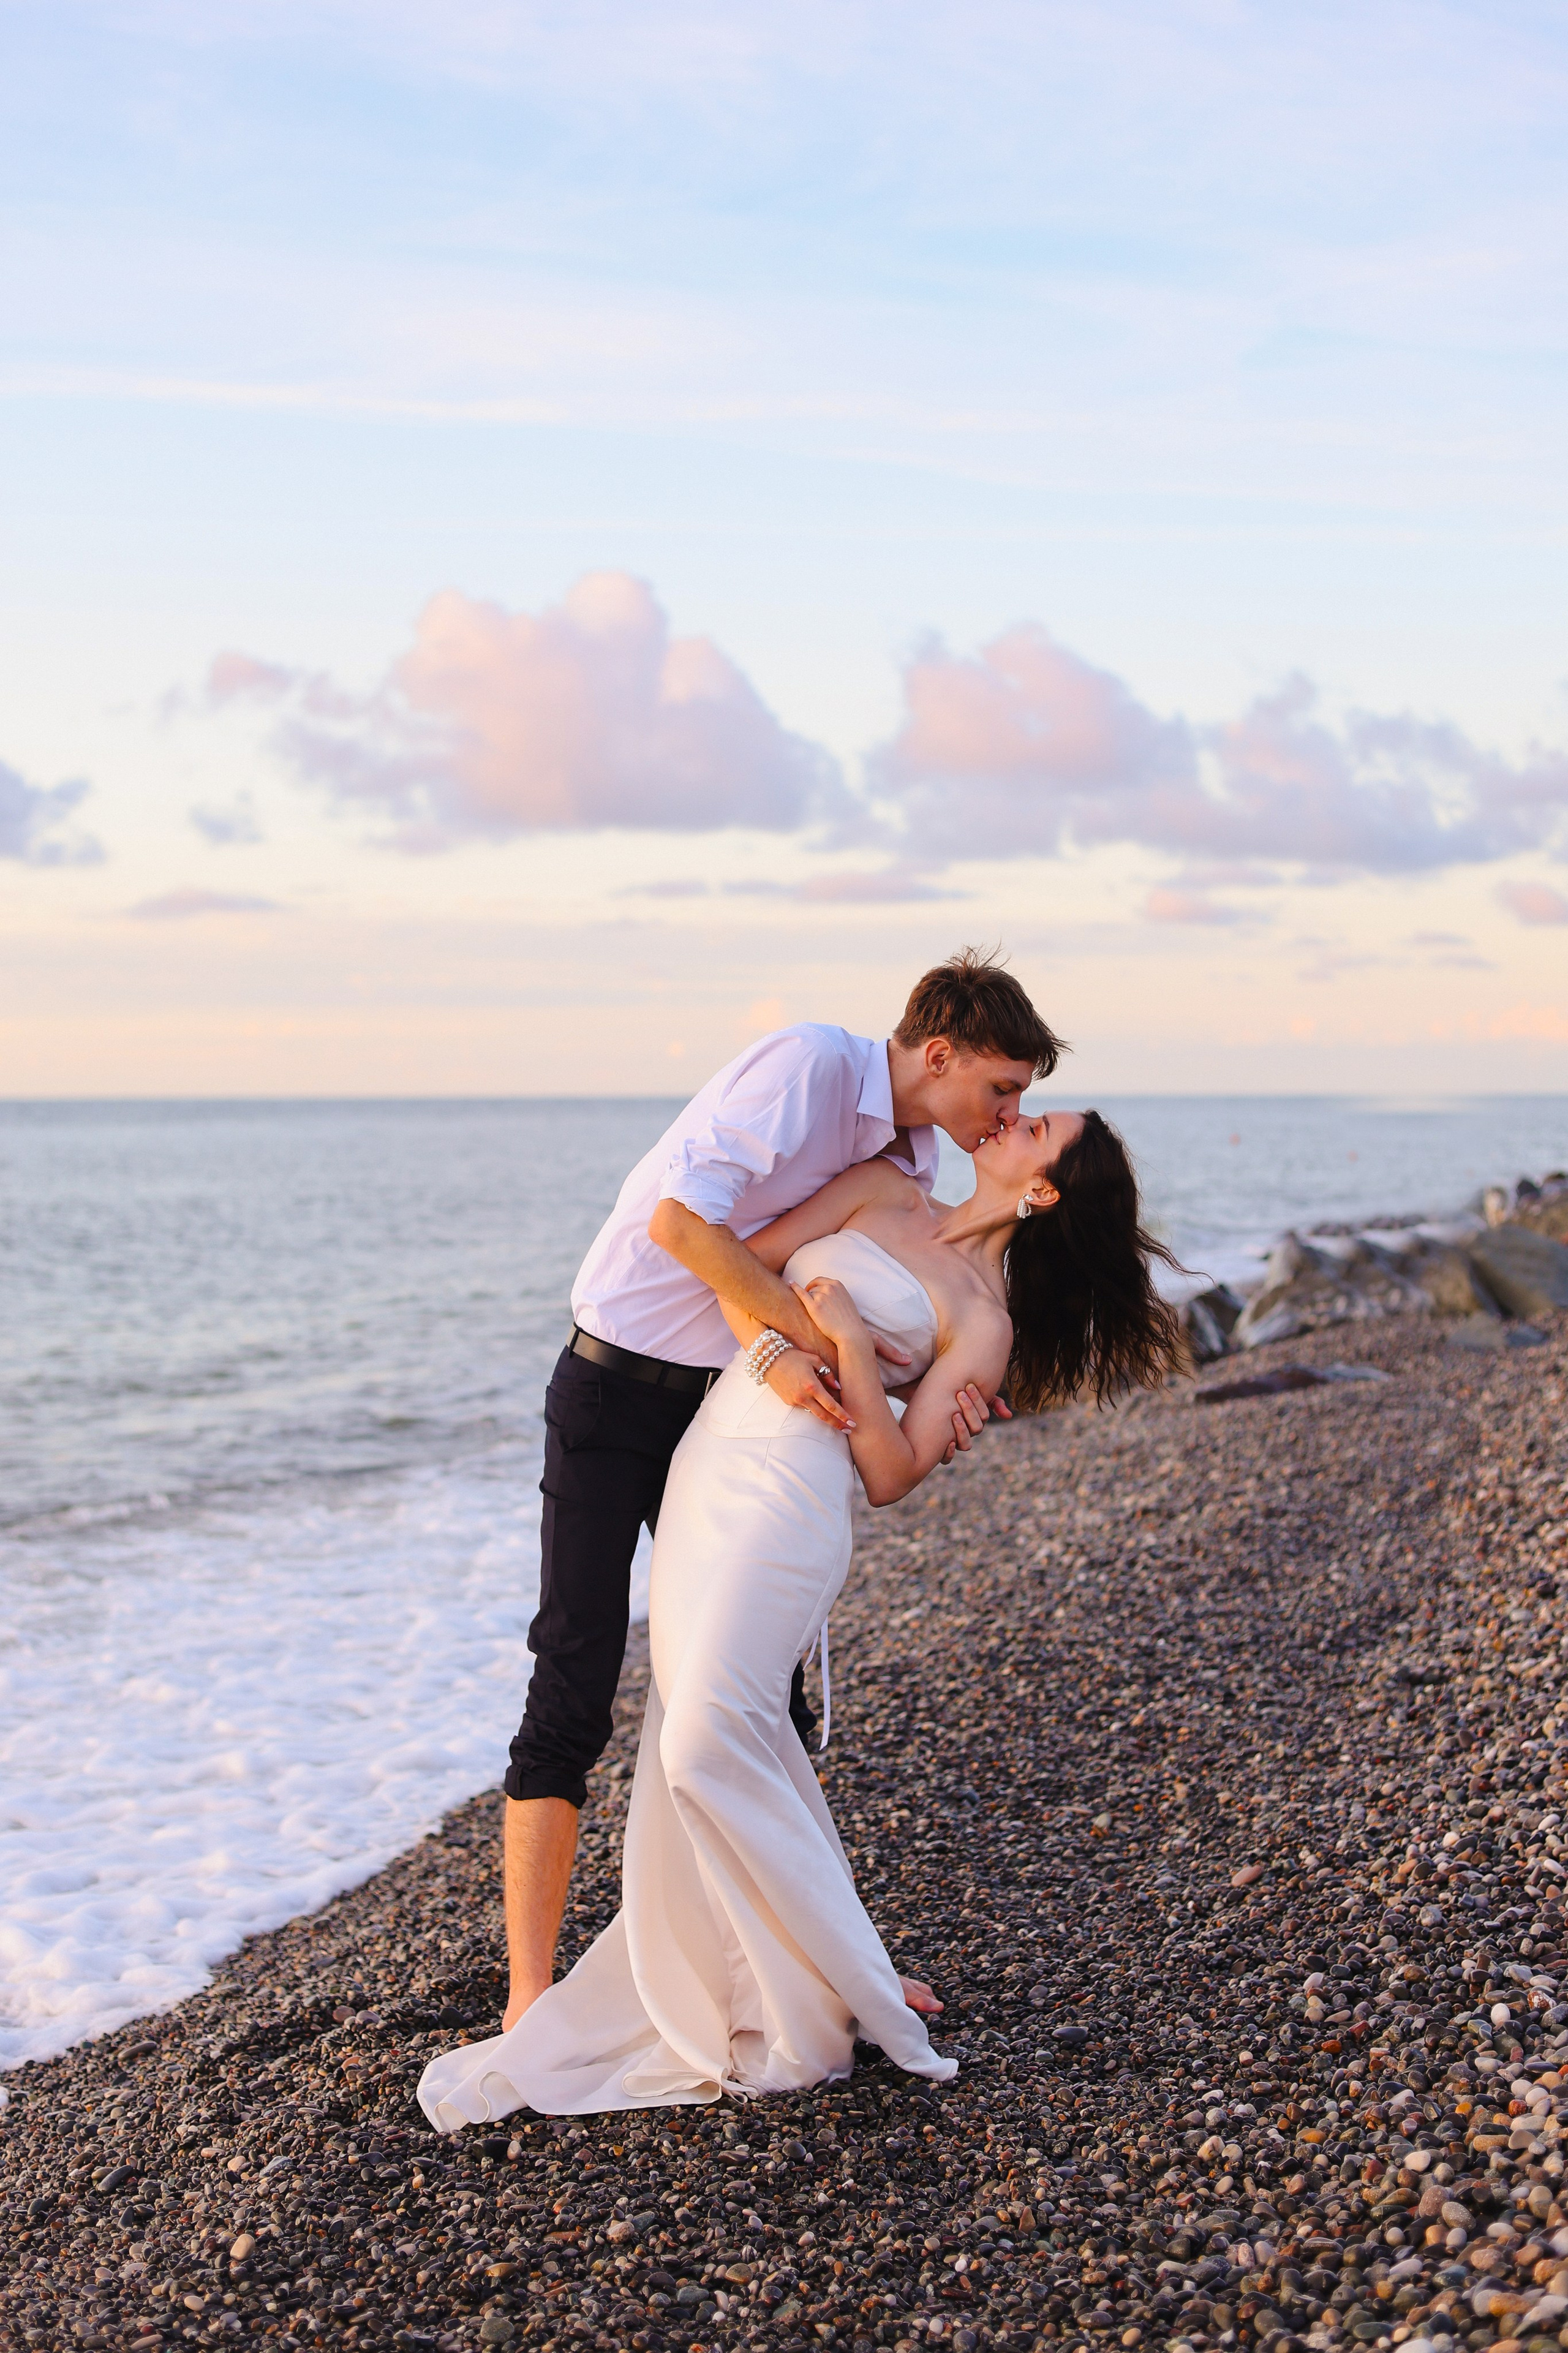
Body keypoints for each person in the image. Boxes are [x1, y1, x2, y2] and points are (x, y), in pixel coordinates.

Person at [419, 1103, 1181, 2122]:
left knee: (703, 1740)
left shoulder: (985, 1322)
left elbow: (892, 1470)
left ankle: (843, 1974)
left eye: (1036, 1127)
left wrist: (856, 1351)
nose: (1010, 1118)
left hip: (798, 1498)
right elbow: (742, 1270)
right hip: (712, 1457)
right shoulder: (884, 1190)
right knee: (725, 1726)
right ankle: (803, 1972)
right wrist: (775, 1351)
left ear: (1043, 1191)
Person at [499, 951, 1064, 2032]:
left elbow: (902, 1301)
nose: (1007, 1111)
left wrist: (947, 1401)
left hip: (731, 1416)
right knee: (572, 1676)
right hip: (620, 1386)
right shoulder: (809, 1069)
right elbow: (681, 1228)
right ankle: (531, 1994)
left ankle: (820, 1962)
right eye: (1001, 1086)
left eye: (1022, 1100)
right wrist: (808, 1337)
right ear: (939, 1053)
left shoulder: (907, 1158)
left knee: (768, 1697)